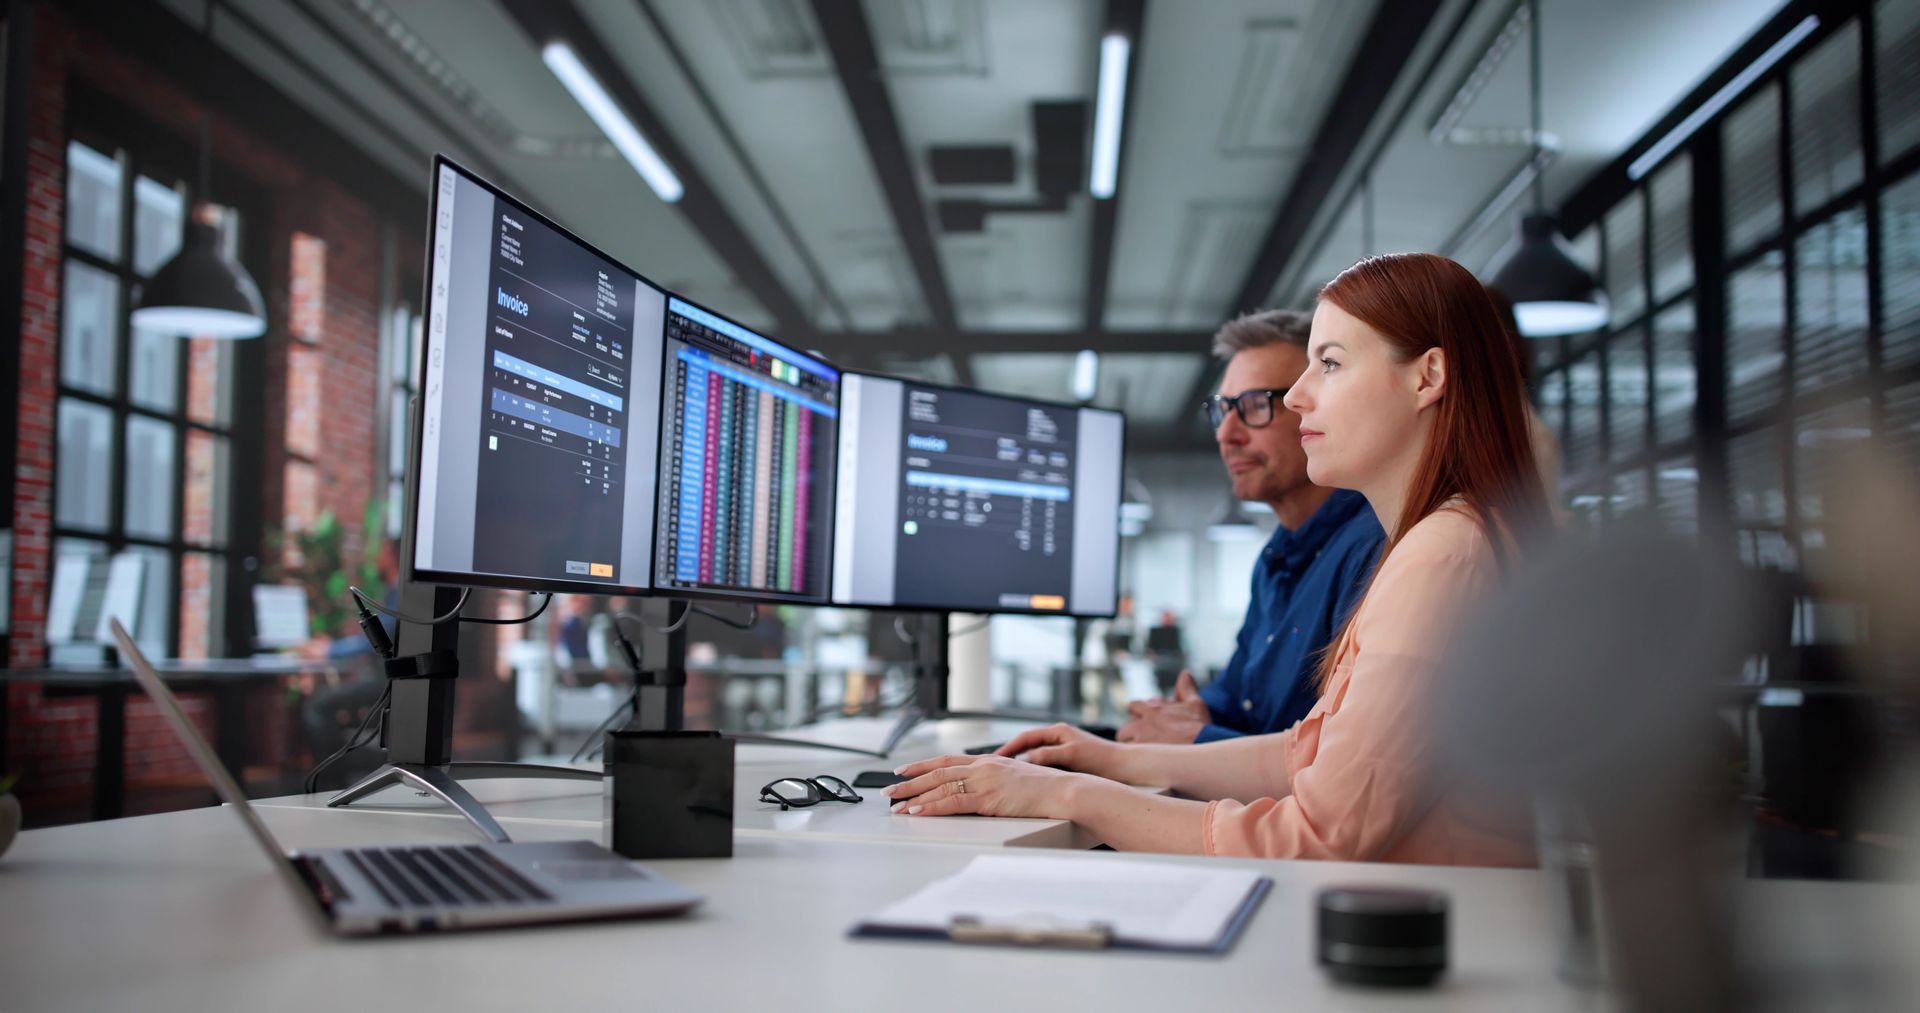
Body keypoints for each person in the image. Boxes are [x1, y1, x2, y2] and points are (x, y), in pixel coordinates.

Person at [883, 253, 1551, 865]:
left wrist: (1067, 795)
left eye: (1332, 363)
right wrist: (1114, 759)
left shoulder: (1442, 554)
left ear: (1428, 376)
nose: (1298, 396)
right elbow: (1308, 752)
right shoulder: (1442, 538)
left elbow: (1321, 836)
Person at [1120, 309, 1384, 745]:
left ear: (1318, 405)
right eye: (1222, 410)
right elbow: (1237, 698)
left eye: (1255, 406)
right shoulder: (1274, 560)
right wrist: (1186, 713)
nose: (1227, 434)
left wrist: (1193, 737)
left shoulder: (1373, 547)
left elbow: (1334, 762)